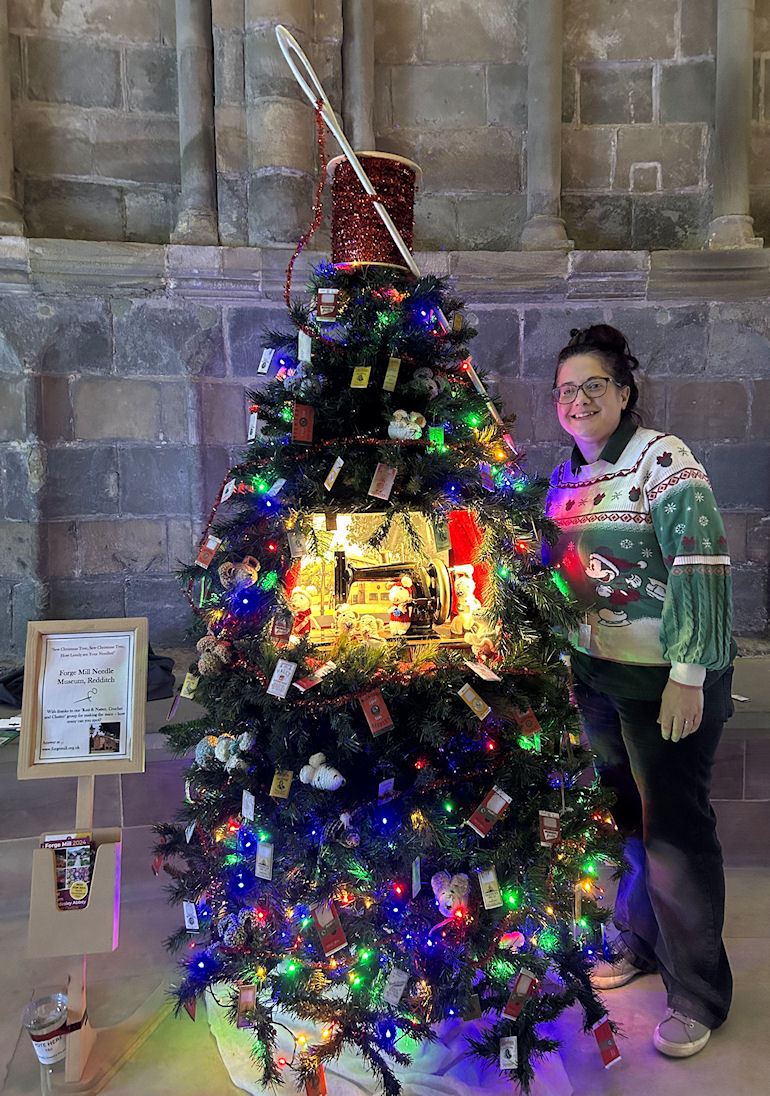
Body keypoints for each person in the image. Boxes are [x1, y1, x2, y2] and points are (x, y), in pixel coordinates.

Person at [543, 325, 734, 1059]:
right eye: (566, 389)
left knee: (676, 840)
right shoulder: (565, 479)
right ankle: (642, 945)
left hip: (669, 687)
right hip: (599, 684)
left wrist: (688, 675)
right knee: (627, 829)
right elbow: (567, 586)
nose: (579, 398)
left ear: (624, 393)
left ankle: (699, 997)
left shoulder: (663, 458)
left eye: (595, 385)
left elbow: (701, 557)